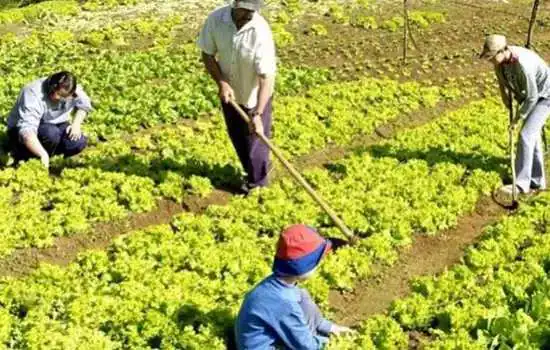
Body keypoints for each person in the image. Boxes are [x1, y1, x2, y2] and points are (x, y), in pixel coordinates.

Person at [198, 0, 276, 194]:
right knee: (238, 138)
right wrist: (222, 83)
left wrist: (257, 113)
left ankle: (258, 185)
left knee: (255, 143)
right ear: (235, 5)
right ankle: (253, 175)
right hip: (230, 95)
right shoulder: (216, 20)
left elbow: (267, 77)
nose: (250, 14)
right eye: (246, 10)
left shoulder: (260, 30)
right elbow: (207, 54)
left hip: (255, 95)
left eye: (253, 10)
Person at [235, 224, 353, 349]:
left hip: (273, 337)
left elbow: (306, 309)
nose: (320, 264)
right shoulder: (283, 302)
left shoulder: (277, 284)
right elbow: (308, 347)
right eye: (317, 261)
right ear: (304, 266)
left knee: (304, 298)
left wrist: (331, 328)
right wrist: (332, 343)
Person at [480, 34, 550, 195]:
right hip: (531, 96)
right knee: (532, 137)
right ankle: (537, 182)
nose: (490, 61)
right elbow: (501, 82)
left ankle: (521, 184)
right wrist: (506, 99)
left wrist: (517, 119)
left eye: (491, 57)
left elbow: (532, 97)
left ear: (502, 51)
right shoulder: (500, 62)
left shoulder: (523, 64)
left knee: (525, 135)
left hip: (545, 96)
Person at [6, 71, 92, 168]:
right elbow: (26, 131)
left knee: (77, 142)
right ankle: (25, 156)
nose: (55, 97)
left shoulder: (73, 90)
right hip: (21, 132)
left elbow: (84, 104)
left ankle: (48, 156)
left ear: (71, 95)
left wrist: (76, 124)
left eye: (62, 97)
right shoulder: (33, 93)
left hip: (56, 124)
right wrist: (43, 154)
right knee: (50, 134)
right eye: (53, 92)